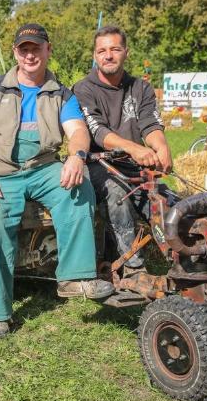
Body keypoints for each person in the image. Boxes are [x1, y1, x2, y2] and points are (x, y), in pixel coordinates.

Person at [0, 24, 114, 338]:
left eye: (36, 48)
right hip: (1, 173)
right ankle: (0, 314)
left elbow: (77, 131)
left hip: (43, 168)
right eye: (24, 49)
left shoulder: (61, 93)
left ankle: (74, 277)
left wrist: (77, 156)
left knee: (79, 189)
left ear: (48, 50)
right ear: (16, 53)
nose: (30, 54)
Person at [72, 25, 172, 273]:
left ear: (126, 52)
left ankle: (182, 261)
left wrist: (162, 148)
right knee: (119, 195)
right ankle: (132, 269)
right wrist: (134, 148)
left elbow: (150, 123)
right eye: (102, 51)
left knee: (167, 202)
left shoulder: (141, 88)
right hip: (97, 165)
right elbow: (98, 132)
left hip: (134, 167)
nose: (108, 55)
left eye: (115, 49)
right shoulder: (84, 89)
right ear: (95, 56)